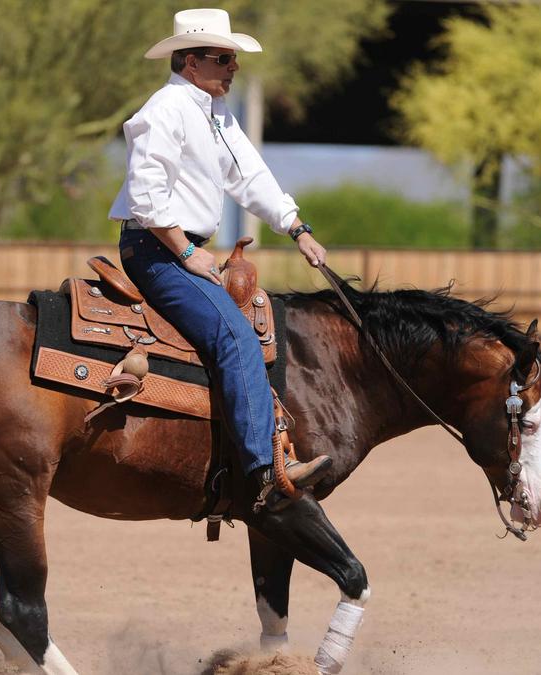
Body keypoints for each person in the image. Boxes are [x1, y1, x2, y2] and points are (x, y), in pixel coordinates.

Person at [110, 8, 331, 508]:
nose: (233, 67)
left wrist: (295, 227)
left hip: (174, 248)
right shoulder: (165, 110)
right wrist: (187, 251)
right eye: (223, 58)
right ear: (190, 62)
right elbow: (146, 197)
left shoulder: (214, 115)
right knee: (235, 336)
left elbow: (249, 176)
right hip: (156, 249)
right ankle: (264, 468)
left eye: (233, 58)